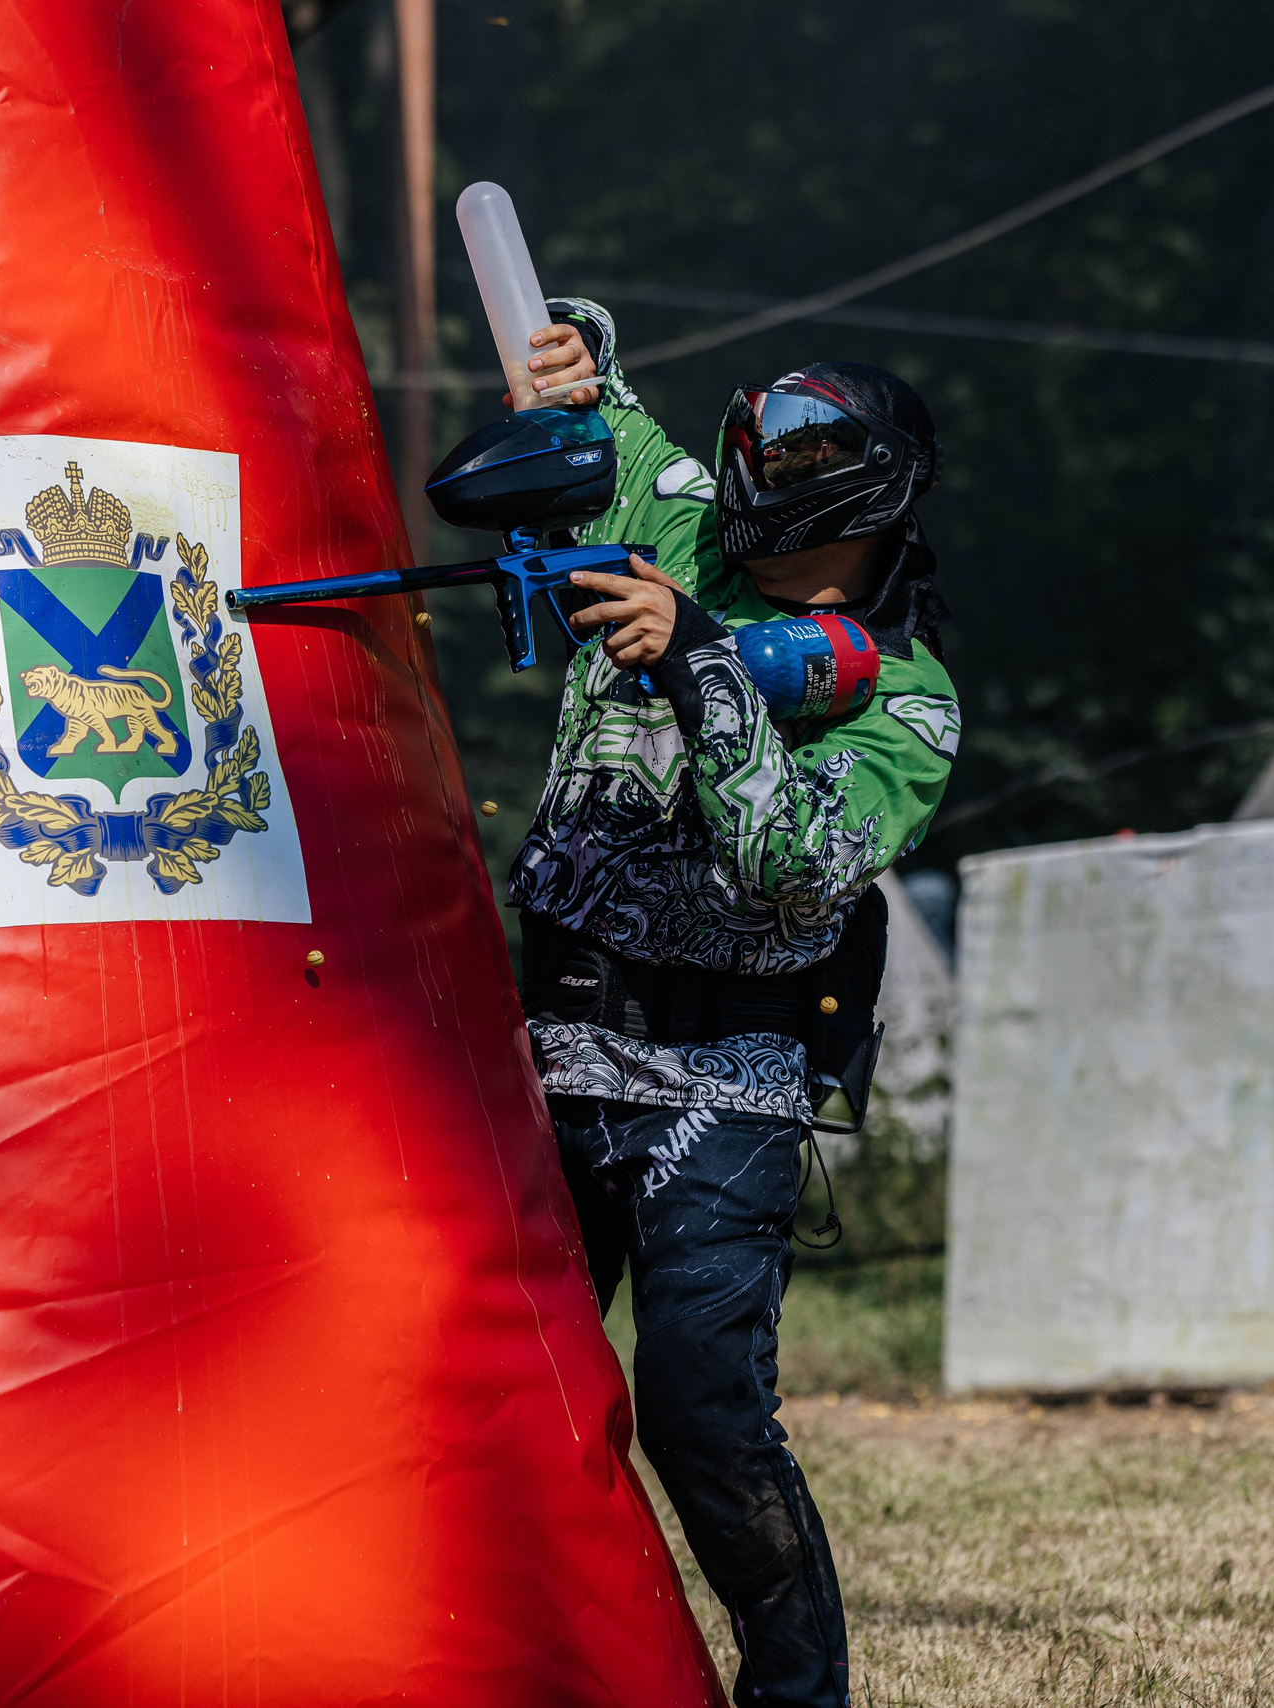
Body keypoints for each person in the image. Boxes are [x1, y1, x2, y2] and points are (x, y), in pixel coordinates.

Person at [503, 302, 961, 1707]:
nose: (752, 530)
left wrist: (699, 662)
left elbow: (789, 865)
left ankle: (797, 1695)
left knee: (703, 1414)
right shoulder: (689, 517)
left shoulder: (915, 705)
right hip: (556, 1046)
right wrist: (572, 350)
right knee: (506, 1393)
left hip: (731, 1075)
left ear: (868, 511)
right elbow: (606, 426)